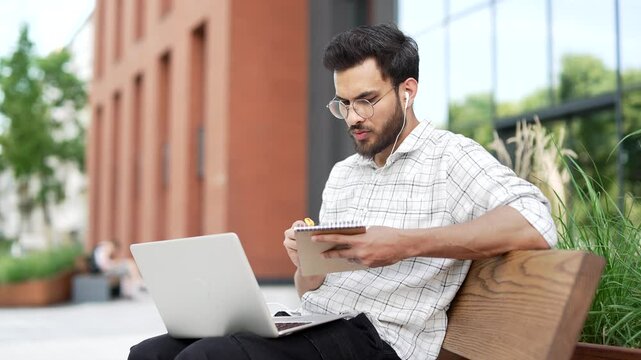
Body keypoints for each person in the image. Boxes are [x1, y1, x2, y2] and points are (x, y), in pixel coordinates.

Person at [128, 23, 557, 360]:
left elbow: (537, 221)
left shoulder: (450, 156)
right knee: (150, 353)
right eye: (343, 103)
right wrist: (306, 262)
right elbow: (311, 290)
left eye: (366, 100)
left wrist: (404, 245)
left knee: (210, 357)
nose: (353, 116)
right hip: (316, 321)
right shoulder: (344, 173)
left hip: (382, 341)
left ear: (407, 91)